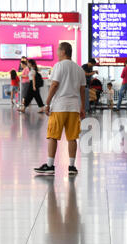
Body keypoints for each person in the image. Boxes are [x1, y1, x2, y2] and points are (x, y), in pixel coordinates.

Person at [34, 42, 86, 176]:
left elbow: (54, 85)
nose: (57, 52)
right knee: (72, 137)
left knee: (53, 136)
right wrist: (82, 107)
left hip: (59, 107)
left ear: (63, 52)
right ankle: (72, 167)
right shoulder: (79, 69)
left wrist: (47, 102)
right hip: (74, 108)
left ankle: (50, 165)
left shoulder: (59, 66)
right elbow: (82, 90)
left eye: (58, 50)